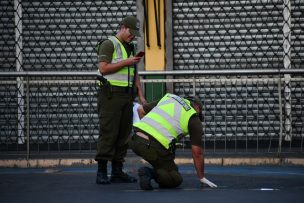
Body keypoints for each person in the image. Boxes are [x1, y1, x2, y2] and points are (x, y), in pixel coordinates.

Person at [95, 16, 146, 184]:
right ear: (123, 27)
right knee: (109, 132)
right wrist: (127, 62)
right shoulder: (109, 44)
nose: (132, 36)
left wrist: (141, 95)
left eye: (134, 34)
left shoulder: (130, 47)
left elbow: (134, 74)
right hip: (111, 95)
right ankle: (102, 171)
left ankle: (117, 171)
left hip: (127, 95)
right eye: (131, 32)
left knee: (123, 134)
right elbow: (103, 68)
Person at [129, 93, 217, 190]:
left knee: (167, 167)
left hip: (134, 139)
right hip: (153, 147)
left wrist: (147, 132)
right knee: (175, 178)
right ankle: (149, 173)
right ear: (197, 107)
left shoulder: (170, 98)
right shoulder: (193, 118)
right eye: (199, 112)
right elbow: (197, 153)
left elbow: (140, 109)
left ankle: (156, 172)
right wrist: (202, 177)